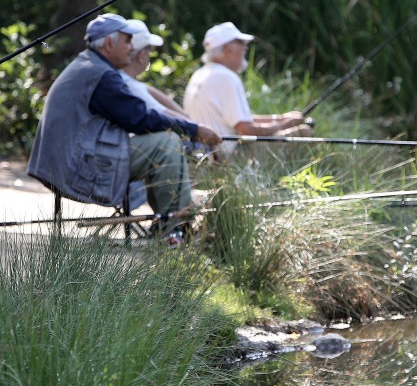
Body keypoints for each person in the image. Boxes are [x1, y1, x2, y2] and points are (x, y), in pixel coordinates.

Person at [27, 13, 222, 232]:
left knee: (163, 139)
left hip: (67, 164)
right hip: (78, 167)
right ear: (109, 43)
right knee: (166, 143)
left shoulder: (89, 66)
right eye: (127, 41)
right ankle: (174, 228)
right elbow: (140, 118)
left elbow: (136, 115)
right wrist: (194, 130)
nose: (132, 47)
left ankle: (169, 222)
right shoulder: (100, 75)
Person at [183, 21, 313, 155]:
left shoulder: (199, 74)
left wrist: (281, 118)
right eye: (241, 43)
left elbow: (240, 120)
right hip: (229, 158)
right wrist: (285, 125)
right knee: (303, 132)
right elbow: (245, 129)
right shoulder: (226, 77)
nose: (245, 48)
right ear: (228, 49)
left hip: (207, 154)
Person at [119, 20, 194, 122]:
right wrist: (197, 127)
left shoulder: (119, 78)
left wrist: (188, 118)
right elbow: (163, 114)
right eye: (149, 50)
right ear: (141, 55)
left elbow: (144, 88)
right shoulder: (129, 85)